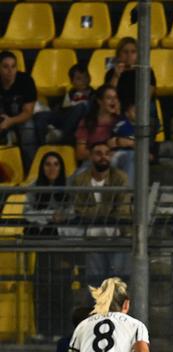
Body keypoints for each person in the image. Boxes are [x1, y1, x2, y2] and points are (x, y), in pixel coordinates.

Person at [25, 151, 74, 337]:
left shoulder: (69, 189)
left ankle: (61, 331)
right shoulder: (34, 187)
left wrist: (60, 217)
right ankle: (42, 330)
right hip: (42, 242)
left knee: (61, 288)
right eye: (47, 164)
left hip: (62, 244)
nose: (52, 168)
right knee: (42, 287)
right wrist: (50, 216)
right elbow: (28, 213)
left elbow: (72, 211)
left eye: (56, 164)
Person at [68, 141, 131, 283]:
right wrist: (108, 208)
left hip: (117, 236)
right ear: (90, 156)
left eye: (107, 154)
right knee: (95, 283)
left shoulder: (120, 178)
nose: (103, 157)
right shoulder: (80, 180)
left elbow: (122, 209)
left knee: (117, 282)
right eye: (98, 154)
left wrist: (93, 212)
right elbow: (79, 210)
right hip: (92, 237)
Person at [34, 63, 93, 146]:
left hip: (78, 121)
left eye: (86, 77)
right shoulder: (70, 93)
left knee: (81, 107)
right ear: (72, 82)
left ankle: (61, 136)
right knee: (39, 116)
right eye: (79, 79)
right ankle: (42, 147)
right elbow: (61, 110)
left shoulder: (94, 95)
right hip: (64, 116)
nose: (84, 81)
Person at [0, 50, 38, 167]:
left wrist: (9, 122)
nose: (10, 71)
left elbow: (27, 112)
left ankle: (30, 171)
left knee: (28, 129)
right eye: (5, 67)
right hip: (2, 115)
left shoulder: (26, 80)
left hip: (22, 116)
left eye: (13, 66)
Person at [74, 85, 121, 165]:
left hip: (117, 161)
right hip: (92, 162)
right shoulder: (87, 122)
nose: (113, 101)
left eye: (115, 98)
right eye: (109, 98)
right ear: (99, 101)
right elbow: (80, 153)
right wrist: (101, 153)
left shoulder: (120, 121)